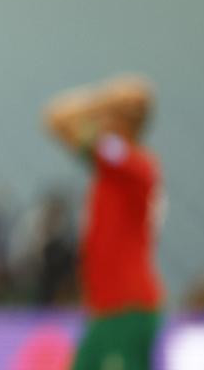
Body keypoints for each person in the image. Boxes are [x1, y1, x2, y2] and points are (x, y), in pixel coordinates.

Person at [44, 75, 164, 370]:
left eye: (110, 116)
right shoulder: (112, 165)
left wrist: (103, 103)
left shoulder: (133, 165)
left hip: (127, 308)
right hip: (105, 310)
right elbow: (55, 119)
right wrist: (107, 100)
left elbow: (60, 118)